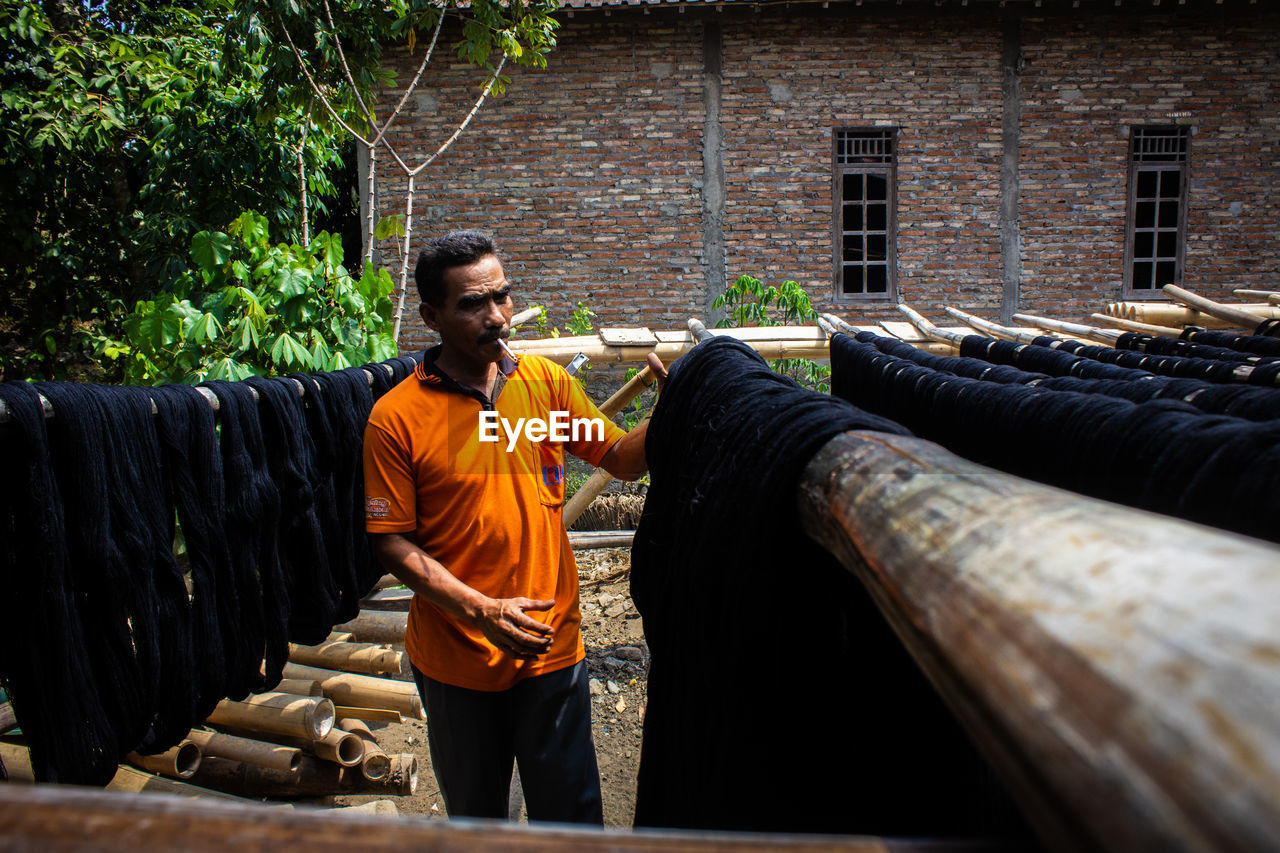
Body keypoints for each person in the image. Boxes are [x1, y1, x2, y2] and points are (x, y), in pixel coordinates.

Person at [362, 230, 664, 823]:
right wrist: (480, 611)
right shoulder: (397, 418)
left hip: (551, 649)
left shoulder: (544, 386)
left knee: (572, 819)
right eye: (473, 303)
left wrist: (672, 408)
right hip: (458, 659)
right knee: (479, 820)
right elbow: (391, 543)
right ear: (431, 316)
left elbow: (623, 461)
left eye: (502, 296)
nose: (497, 316)